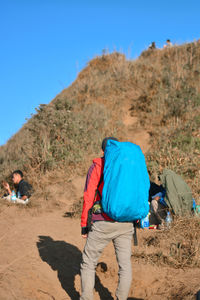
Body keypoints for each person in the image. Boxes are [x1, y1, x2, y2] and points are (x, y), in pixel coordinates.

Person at [80, 137, 135, 300]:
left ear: (103, 151)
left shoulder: (99, 165)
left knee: (88, 263)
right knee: (125, 266)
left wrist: (85, 224)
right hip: (126, 222)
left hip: (103, 221)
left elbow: (88, 196)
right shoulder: (128, 166)